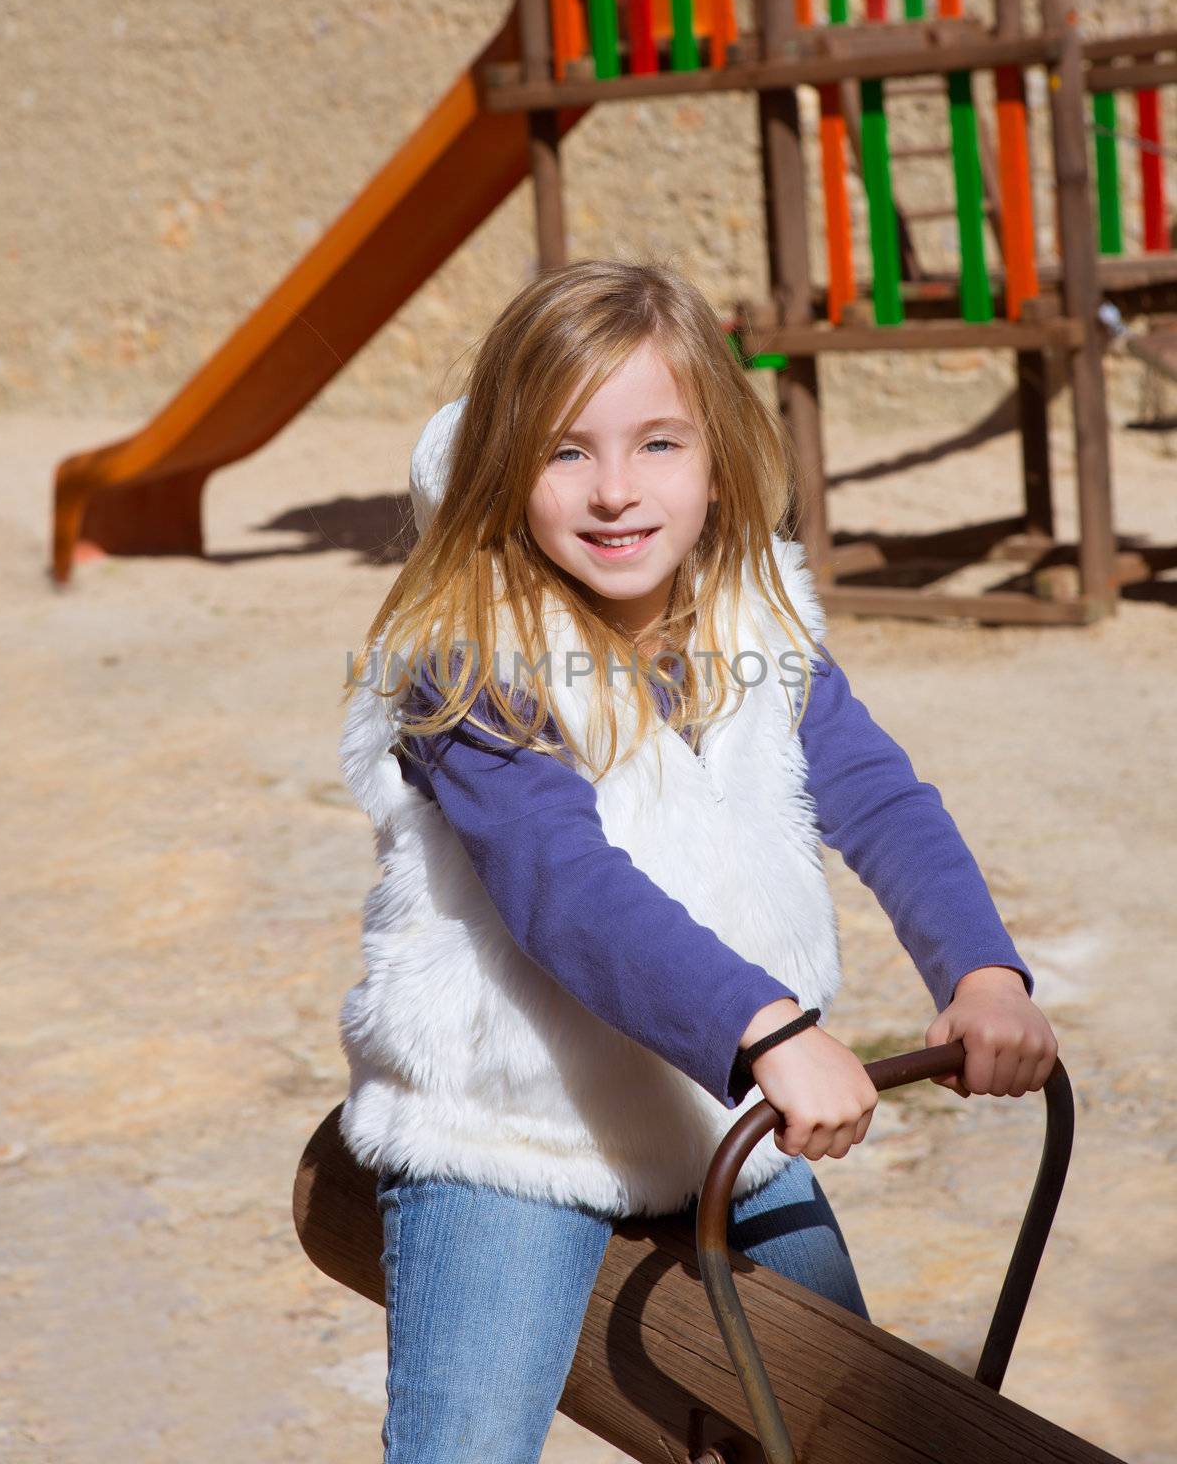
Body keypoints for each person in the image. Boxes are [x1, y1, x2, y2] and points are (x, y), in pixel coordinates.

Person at [336, 259, 1058, 1462]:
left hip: (718, 1126)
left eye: (658, 444)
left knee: (848, 1425)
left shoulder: (757, 628)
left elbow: (880, 798)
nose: (616, 491)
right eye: (566, 453)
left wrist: (981, 972)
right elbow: (562, 889)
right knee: (464, 1443)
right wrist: (769, 1030)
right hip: (517, 1139)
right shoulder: (469, 665)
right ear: (502, 468)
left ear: (717, 458)